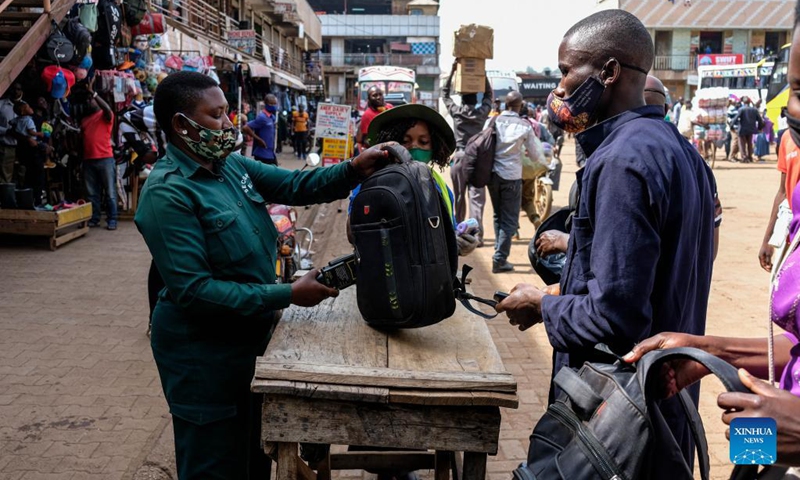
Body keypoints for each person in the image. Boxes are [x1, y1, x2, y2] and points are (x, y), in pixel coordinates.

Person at [134, 71, 394, 479]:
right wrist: (287, 294)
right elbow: (195, 292)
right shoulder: (168, 193)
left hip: (250, 341)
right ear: (181, 125)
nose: (228, 123)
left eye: (227, 112)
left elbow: (295, 185)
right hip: (203, 357)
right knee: (216, 463)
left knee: (254, 456)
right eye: (216, 115)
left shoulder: (230, 166)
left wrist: (354, 169)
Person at [495, 10, 716, 473]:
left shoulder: (621, 161)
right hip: (660, 406)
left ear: (609, 72)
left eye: (564, 72)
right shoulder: (679, 151)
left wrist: (542, 305)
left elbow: (615, 316)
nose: (558, 89)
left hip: (617, 421)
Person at [349, 103, 479, 257]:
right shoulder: (372, 182)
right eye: (405, 141)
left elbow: (448, 229)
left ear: (435, 147)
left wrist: (460, 241)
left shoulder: (440, 186)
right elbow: (353, 234)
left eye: (423, 142)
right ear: (390, 142)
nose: (414, 147)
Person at [485, 91, 543, 273]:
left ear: (505, 104)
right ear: (520, 105)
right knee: (510, 220)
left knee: (498, 216)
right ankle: (500, 258)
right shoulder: (524, 126)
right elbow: (534, 156)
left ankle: (498, 250)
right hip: (511, 177)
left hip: (492, 175)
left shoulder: (493, 121)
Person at [442, 59, 493, 246]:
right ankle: (477, 236)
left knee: (458, 198)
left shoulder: (456, 112)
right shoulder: (481, 114)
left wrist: (453, 70)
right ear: (476, 99)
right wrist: (482, 74)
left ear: (462, 99)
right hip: (477, 160)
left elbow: (445, 94)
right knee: (477, 199)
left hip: (459, 158)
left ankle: (459, 233)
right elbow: (489, 96)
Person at [81, 77, 117, 230]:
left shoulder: (105, 116)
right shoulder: (85, 120)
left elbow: (108, 109)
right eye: (89, 99)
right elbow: (81, 140)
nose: (90, 101)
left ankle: (112, 219)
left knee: (109, 192)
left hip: (105, 158)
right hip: (88, 159)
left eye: (92, 99)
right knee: (91, 193)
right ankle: (95, 218)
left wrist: (94, 93)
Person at [12, 101, 47, 205]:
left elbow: (11, 124)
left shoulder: (17, 120)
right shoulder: (29, 120)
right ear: (23, 111)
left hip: (24, 150)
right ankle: (37, 200)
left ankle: (30, 200)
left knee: (29, 175)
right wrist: (38, 134)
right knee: (36, 175)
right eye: (28, 106)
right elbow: (31, 132)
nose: (31, 108)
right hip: (32, 149)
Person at [242, 94, 279, 165]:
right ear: (266, 104)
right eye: (272, 104)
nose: (274, 106)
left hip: (270, 153)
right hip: (262, 154)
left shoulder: (272, 117)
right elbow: (245, 127)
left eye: (275, 104)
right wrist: (259, 140)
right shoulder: (262, 117)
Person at [0, 83, 22, 185]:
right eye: (14, 89)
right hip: (6, 145)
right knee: (5, 177)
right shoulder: (1, 105)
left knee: (21, 174)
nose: (16, 91)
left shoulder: (25, 106)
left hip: (22, 146)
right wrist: (7, 131)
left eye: (18, 89)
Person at [732, 96, 765, 163]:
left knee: (742, 144)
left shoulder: (741, 109)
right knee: (749, 144)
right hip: (751, 129)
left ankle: (744, 157)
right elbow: (760, 120)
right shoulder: (754, 110)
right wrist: (759, 128)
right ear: (750, 102)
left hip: (742, 129)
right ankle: (750, 157)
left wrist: (731, 126)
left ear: (743, 102)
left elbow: (735, 118)